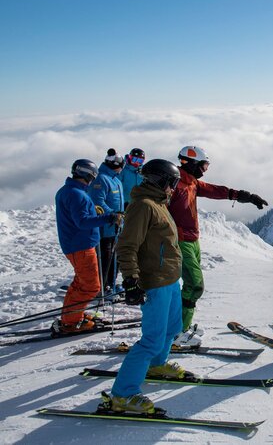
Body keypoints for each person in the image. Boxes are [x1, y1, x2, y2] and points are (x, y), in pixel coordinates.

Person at [108, 159, 185, 414]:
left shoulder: (159, 204)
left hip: (171, 279)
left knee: (173, 328)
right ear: (161, 181)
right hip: (155, 282)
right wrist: (131, 281)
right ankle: (123, 393)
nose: (174, 188)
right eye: (172, 183)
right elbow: (127, 246)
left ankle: (156, 365)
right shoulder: (143, 206)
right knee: (152, 338)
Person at [168, 145, 268, 335]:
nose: (205, 171)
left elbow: (215, 191)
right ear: (193, 164)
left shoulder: (191, 183)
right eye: (204, 166)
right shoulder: (177, 185)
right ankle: (178, 331)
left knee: (188, 284)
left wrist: (245, 196)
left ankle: (179, 324)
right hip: (180, 240)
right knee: (194, 285)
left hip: (192, 239)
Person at [55, 159, 122, 332]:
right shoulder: (77, 194)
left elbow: (79, 216)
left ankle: (72, 315)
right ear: (89, 175)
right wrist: (109, 217)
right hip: (81, 246)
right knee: (91, 286)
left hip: (75, 244)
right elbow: (82, 222)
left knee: (81, 282)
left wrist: (95, 212)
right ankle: (71, 322)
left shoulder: (68, 190)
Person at [89, 148, 125, 292]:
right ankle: (101, 286)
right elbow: (97, 202)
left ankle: (109, 283)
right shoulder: (101, 178)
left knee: (114, 255)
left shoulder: (115, 178)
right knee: (105, 255)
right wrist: (113, 214)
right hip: (106, 225)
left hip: (115, 225)